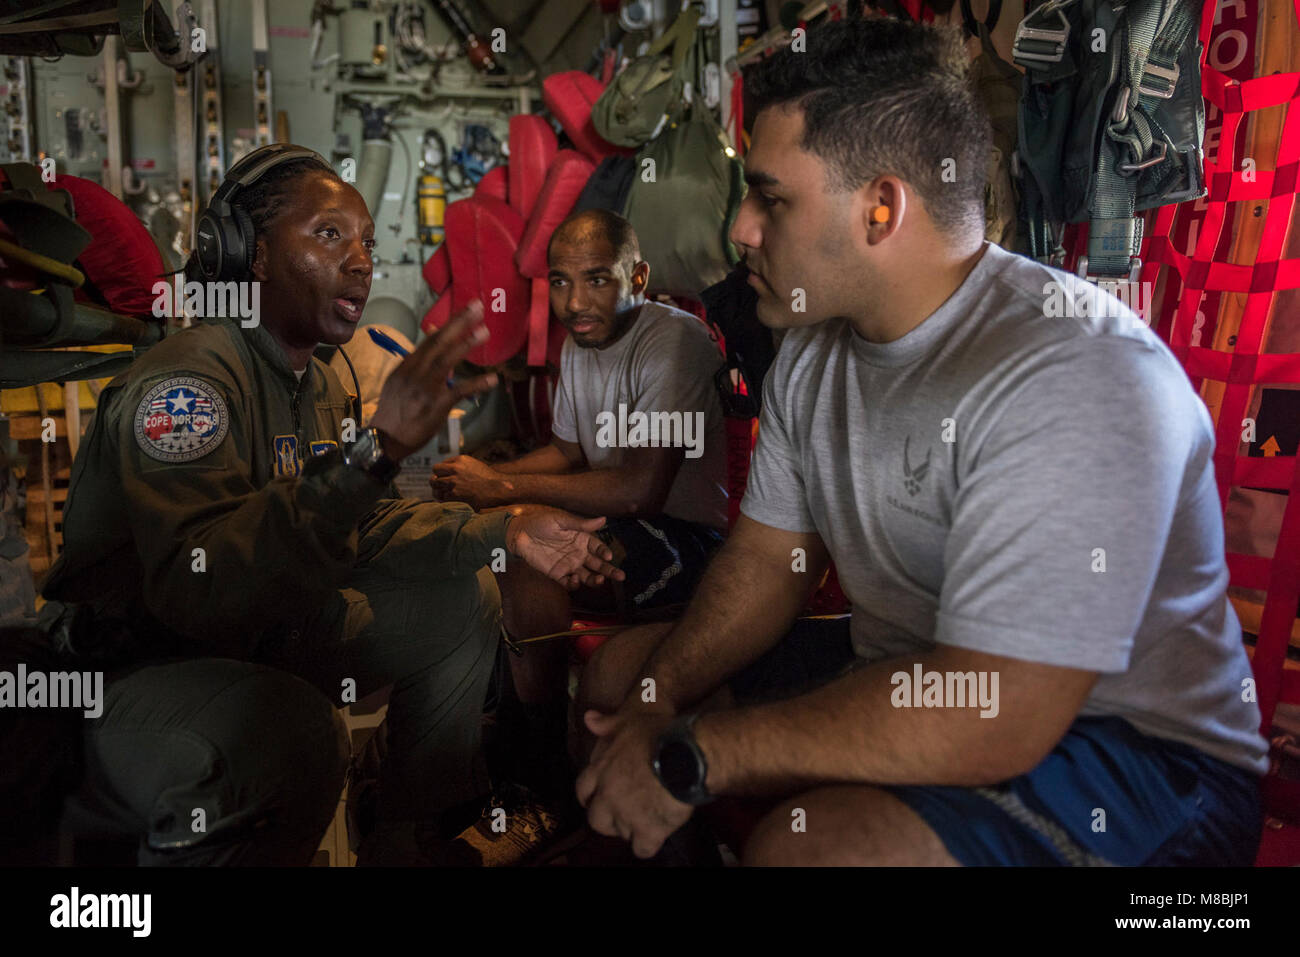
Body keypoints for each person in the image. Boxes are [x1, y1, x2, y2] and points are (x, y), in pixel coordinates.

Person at [573, 18, 1269, 866]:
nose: (742, 230)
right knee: (623, 681)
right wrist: (662, 701)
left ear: (880, 207)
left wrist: (700, 753)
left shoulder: (1078, 372)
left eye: (771, 198)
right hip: (920, 666)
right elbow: (765, 565)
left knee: (813, 849)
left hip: (1137, 751)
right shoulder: (813, 350)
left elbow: (998, 707)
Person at [38, 144, 623, 866]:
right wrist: (372, 453)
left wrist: (505, 529)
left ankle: (405, 836)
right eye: (328, 235)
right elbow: (199, 588)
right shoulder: (187, 386)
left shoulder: (318, 380)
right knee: (297, 731)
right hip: (137, 670)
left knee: (462, 599)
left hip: (258, 631)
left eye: (366, 242)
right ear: (249, 256)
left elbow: (362, 528)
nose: (360, 260)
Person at [430, 209, 728, 804]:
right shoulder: (580, 344)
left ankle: (537, 764)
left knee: (524, 548)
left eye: (597, 278)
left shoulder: (674, 341)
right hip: (615, 514)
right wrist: (481, 481)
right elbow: (569, 452)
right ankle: (508, 741)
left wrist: (504, 493)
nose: (574, 301)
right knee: (495, 530)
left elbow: (641, 487)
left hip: (688, 539)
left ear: (637, 278)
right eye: (560, 282)